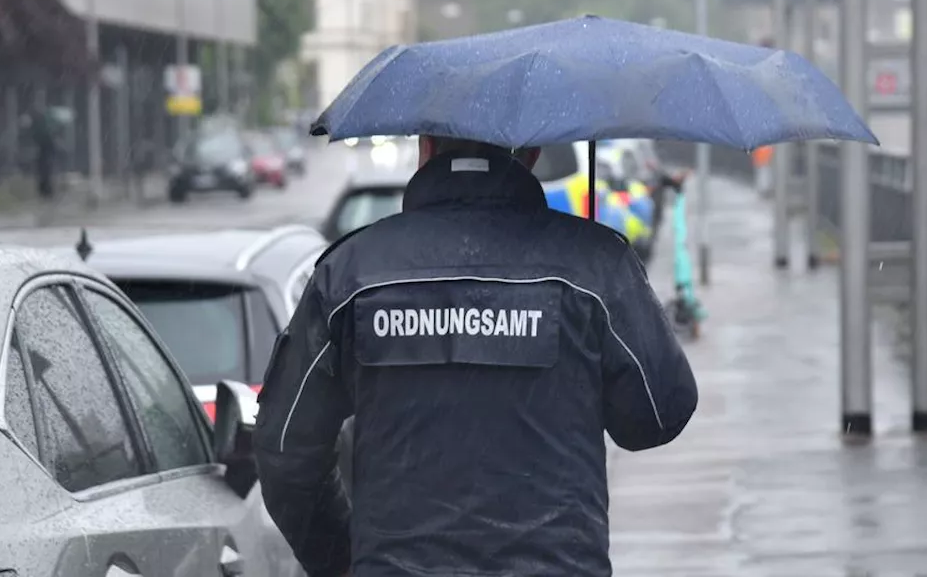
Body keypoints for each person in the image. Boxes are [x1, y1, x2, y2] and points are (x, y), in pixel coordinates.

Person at [254, 136, 699, 577]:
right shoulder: (595, 265)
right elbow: (657, 416)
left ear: (425, 148)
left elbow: (285, 449)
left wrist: (340, 557)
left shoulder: (349, 274)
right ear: (531, 155)